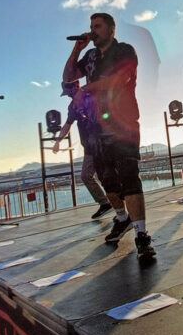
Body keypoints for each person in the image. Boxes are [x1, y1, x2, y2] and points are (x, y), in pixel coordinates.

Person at [63, 13, 155, 259]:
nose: (92, 30)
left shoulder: (125, 50)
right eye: (91, 26)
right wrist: (76, 49)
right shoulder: (90, 56)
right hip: (96, 127)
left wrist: (86, 89)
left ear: (111, 30)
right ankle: (122, 219)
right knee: (108, 181)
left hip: (122, 122)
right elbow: (68, 77)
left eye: (98, 26)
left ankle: (142, 236)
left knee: (129, 177)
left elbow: (118, 80)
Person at [53, 81, 114, 220]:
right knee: (89, 176)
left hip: (102, 143)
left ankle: (116, 208)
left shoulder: (92, 96)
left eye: (68, 92)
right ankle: (107, 204)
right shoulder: (73, 106)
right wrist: (58, 141)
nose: (68, 96)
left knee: (105, 176)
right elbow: (67, 125)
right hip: (89, 147)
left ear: (75, 88)